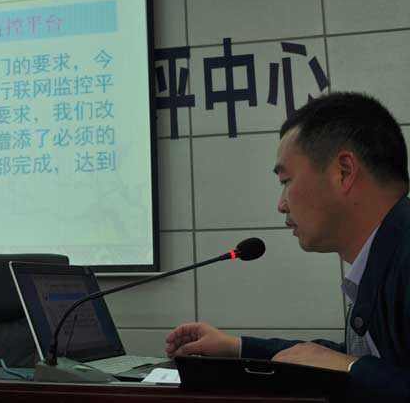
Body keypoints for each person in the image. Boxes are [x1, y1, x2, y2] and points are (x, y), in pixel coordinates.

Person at [166, 92, 410, 401]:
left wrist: (349, 367)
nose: (281, 205)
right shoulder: (388, 250)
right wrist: (236, 347)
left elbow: (352, 364)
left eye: (285, 181)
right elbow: (356, 360)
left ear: (344, 172)